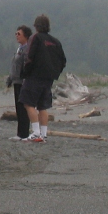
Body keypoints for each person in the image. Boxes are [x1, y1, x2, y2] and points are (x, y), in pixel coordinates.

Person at [19, 13, 67, 142]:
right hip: (49, 78)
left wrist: (25, 72)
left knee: (28, 103)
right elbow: (63, 60)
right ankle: (44, 134)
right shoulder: (55, 41)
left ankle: (35, 132)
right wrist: (55, 72)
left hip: (35, 76)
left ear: (36, 26)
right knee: (42, 106)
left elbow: (29, 57)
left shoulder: (36, 38)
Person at [6, 25, 33, 141]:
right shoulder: (19, 48)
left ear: (25, 36)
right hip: (16, 81)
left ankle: (23, 134)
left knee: (23, 108)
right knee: (18, 108)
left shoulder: (27, 49)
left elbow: (27, 65)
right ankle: (20, 133)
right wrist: (10, 79)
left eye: (19, 34)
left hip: (23, 82)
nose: (16, 36)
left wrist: (24, 77)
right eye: (16, 34)